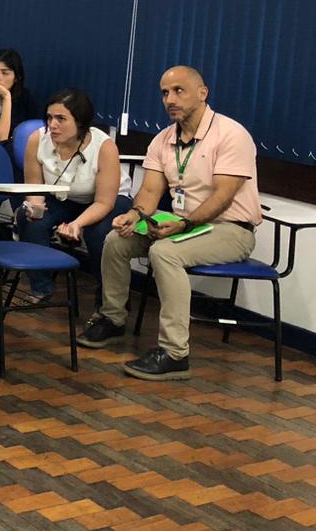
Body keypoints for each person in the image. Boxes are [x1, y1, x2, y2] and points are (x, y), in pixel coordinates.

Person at [78, 66, 260, 380]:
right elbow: (149, 192)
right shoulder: (163, 140)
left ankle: (175, 352)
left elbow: (223, 196)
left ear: (203, 93)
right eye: (165, 92)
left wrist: (184, 223)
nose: (170, 99)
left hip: (230, 229)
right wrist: (134, 216)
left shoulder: (231, 134)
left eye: (179, 90)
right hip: (183, 225)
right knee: (116, 240)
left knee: (164, 252)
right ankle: (113, 318)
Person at [18, 88, 132, 305]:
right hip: (62, 197)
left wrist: (76, 224)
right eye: (49, 117)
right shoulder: (38, 139)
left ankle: (109, 300)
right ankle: (42, 287)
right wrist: (35, 206)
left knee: (99, 234)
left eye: (61, 119)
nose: (52, 125)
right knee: (30, 221)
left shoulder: (104, 146)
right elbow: (34, 185)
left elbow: (104, 202)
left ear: (80, 122)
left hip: (106, 200)